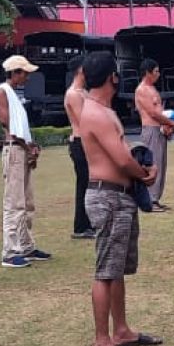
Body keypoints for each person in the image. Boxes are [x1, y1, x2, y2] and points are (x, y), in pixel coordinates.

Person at [78, 51, 161, 346]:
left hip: (119, 197)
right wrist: (145, 175)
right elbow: (121, 159)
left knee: (116, 271)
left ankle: (121, 330)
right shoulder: (96, 113)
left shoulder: (102, 110)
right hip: (108, 198)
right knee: (105, 271)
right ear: (112, 76)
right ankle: (102, 342)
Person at [0, 55, 51, 268]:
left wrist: (30, 146)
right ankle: (10, 250)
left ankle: (25, 245)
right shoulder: (2, 92)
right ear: (15, 73)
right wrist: (27, 147)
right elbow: (7, 125)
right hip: (15, 150)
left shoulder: (14, 94)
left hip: (21, 149)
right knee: (14, 202)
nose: (26, 77)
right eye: (24, 73)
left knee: (26, 201)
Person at [135, 58, 174, 212]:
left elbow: (159, 110)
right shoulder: (142, 90)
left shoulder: (153, 89)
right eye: (156, 72)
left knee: (161, 164)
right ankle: (150, 200)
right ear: (147, 73)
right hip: (150, 130)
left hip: (160, 129)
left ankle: (156, 198)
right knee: (152, 165)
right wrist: (169, 122)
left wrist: (167, 124)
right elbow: (152, 113)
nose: (158, 75)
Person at [65, 55, 95, 240]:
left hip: (87, 142)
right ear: (80, 70)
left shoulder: (84, 92)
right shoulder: (73, 94)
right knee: (83, 184)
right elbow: (83, 120)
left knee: (91, 184)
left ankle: (89, 223)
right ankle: (80, 226)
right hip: (80, 142)